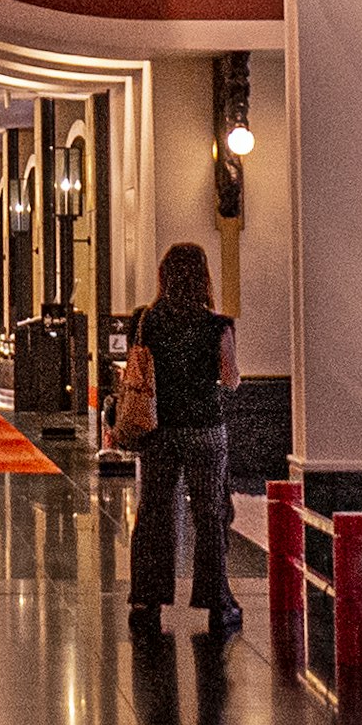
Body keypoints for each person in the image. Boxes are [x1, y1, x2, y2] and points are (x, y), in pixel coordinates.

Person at [125, 238, 242, 632]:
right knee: (210, 513)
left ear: (164, 276)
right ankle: (215, 600)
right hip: (206, 429)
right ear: (204, 278)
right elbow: (229, 379)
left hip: (159, 430)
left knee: (156, 510)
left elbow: (138, 371)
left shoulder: (146, 320)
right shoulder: (218, 325)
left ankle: (148, 599)